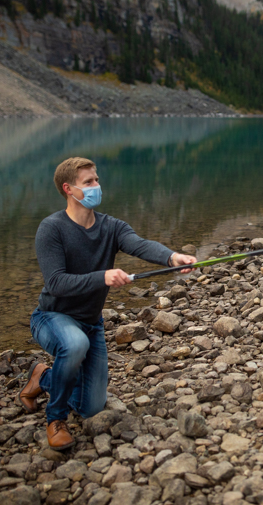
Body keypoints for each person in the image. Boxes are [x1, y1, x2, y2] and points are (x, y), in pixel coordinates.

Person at [18, 157, 197, 449]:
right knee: (74, 345)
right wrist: (102, 277)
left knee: (91, 407)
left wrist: (172, 258)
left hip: (90, 323)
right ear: (69, 189)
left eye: (96, 180)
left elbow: (139, 244)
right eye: (88, 182)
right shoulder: (51, 228)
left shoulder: (111, 226)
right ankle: (56, 419)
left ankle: (44, 377)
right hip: (52, 317)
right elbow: (56, 283)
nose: (96, 186)